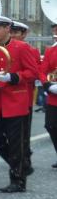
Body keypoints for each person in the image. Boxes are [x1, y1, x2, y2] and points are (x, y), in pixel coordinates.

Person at [0, 16, 37, 192]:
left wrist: (13, 77)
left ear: (7, 28)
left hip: (15, 101)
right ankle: (22, 165)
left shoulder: (21, 47)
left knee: (16, 142)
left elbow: (32, 72)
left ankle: (17, 180)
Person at [10, 21, 40, 172]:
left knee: (23, 132)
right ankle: (21, 159)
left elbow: (35, 73)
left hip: (25, 95)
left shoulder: (31, 50)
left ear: (24, 35)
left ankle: (25, 158)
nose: (13, 35)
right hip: (9, 97)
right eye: (12, 32)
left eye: (16, 33)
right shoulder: (4, 48)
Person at [41, 30, 57, 167]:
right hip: (54, 95)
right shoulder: (51, 51)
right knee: (51, 125)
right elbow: (42, 70)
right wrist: (47, 85)